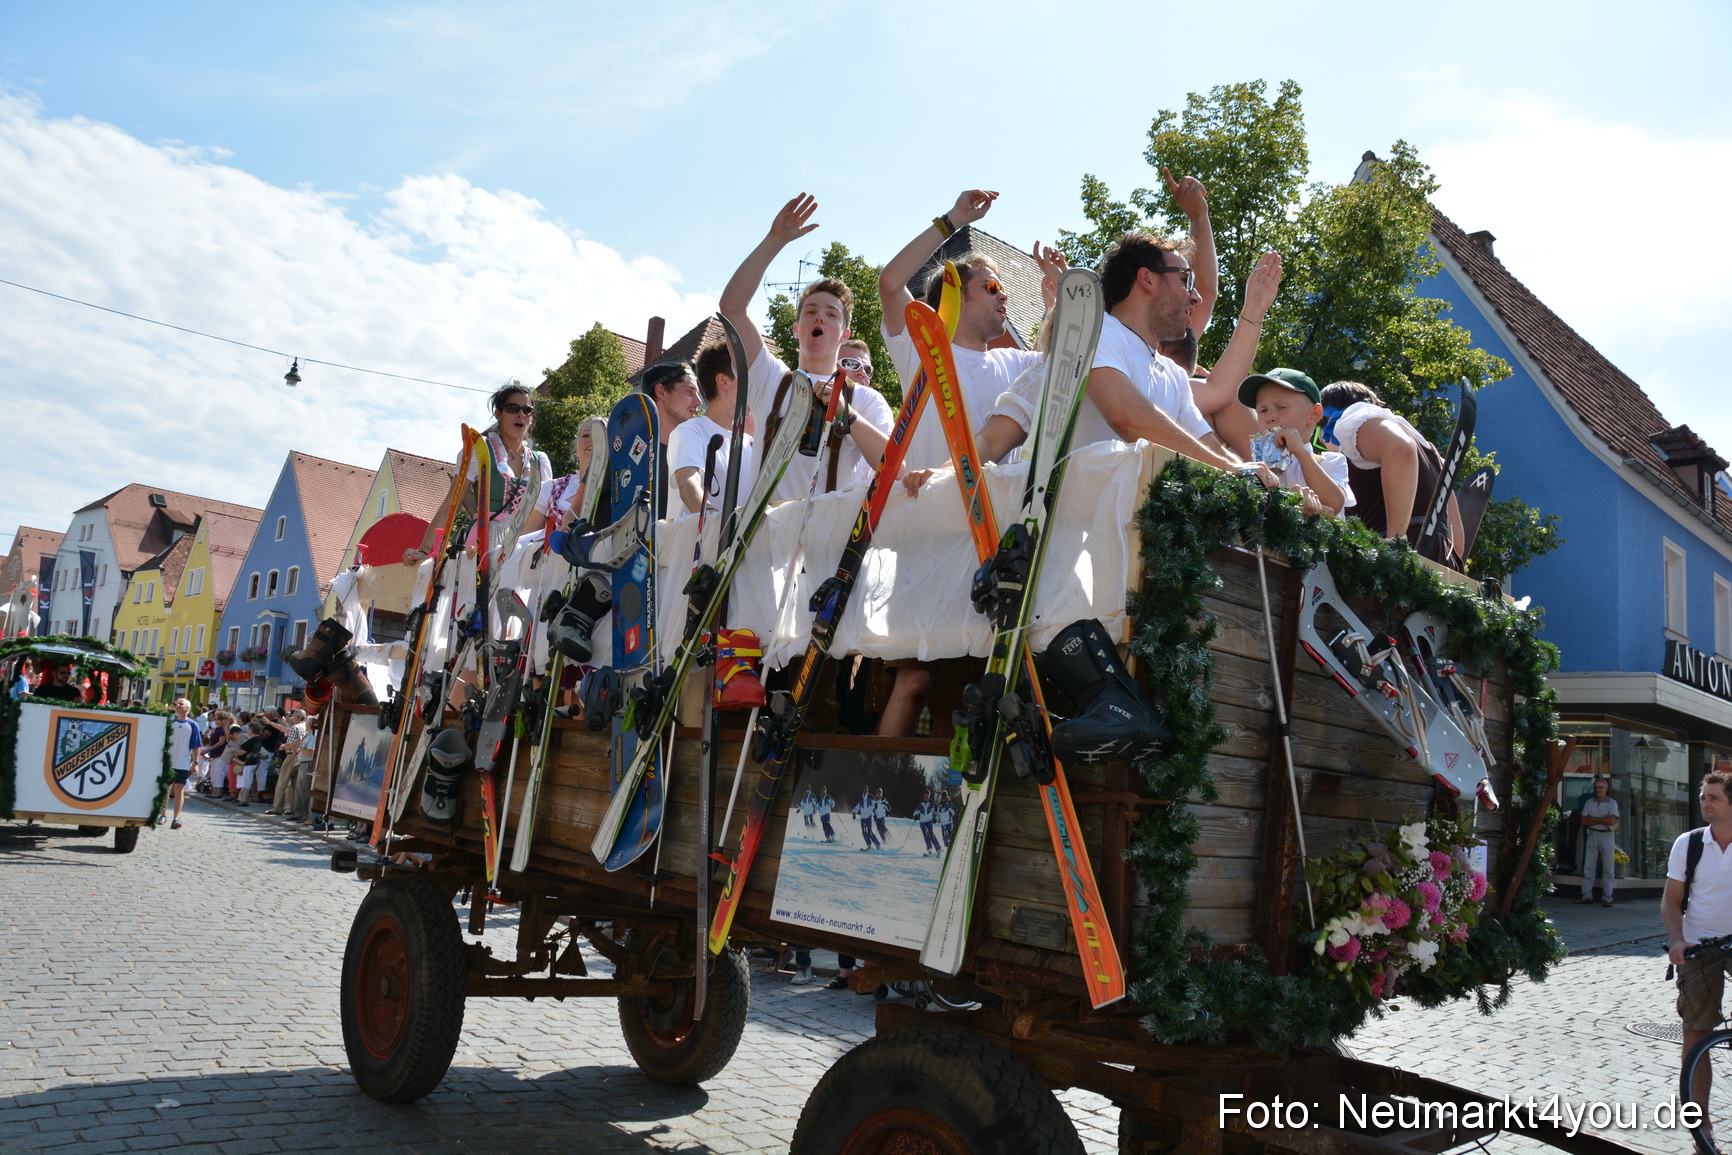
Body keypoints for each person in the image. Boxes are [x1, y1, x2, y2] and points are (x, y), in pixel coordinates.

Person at [872, 191, 1059, 738]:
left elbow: (1065, 359)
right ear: (954, 294)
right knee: (913, 684)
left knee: (981, 688)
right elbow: (889, 283)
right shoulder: (922, 348)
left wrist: (1055, 301)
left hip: (994, 544)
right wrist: (953, 222)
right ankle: (873, 786)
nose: (1005, 297)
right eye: (992, 287)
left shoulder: (1015, 363)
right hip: (928, 540)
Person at [718, 194, 893, 503]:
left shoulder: (866, 400)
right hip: (763, 543)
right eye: (811, 311)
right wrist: (776, 239)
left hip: (826, 545)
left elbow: (895, 468)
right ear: (796, 329)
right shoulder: (770, 377)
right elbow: (732, 307)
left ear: (844, 334)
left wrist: (846, 414)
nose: (820, 318)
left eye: (831, 314)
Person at [405, 380, 555, 568]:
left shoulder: (539, 461)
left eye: (527, 410)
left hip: (525, 548)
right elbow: (450, 505)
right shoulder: (479, 451)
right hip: (484, 545)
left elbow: (547, 513)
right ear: (498, 413)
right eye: (512, 408)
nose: (520, 414)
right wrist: (425, 550)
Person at [1317, 381, 1464, 567]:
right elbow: (1457, 544)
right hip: (1440, 561)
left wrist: (1395, 541)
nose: (1323, 442)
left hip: (1396, 564)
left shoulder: (1357, 421)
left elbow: (1400, 448)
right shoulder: (1429, 450)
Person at [1666, 771, 1732, 1125]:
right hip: (1698, 945)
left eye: (1714, 798)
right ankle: (1700, 1120)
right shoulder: (1688, 844)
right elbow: (1671, 901)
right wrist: (1678, 940)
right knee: (1696, 1031)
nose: (1705, 803)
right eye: (1703, 797)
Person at [1237, 367, 1352, 518]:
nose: (1270, 417)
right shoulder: (1255, 464)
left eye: (1281, 407)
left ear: (1313, 414)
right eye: (1262, 410)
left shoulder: (1331, 461)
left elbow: (1333, 504)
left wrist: (1301, 453)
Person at [670, 343, 755, 516]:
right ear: (723, 381)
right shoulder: (690, 431)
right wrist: (716, 524)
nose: (754, 387)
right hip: (698, 542)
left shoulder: (749, 442)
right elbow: (687, 485)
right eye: (748, 379)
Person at [639, 360, 703, 517]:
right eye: (689, 392)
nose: (699, 402)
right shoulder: (629, 452)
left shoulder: (697, 454)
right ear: (661, 391)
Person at [1578, 776, 1620, 906]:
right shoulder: (1589, 802)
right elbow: (1583, 821)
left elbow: (1612, 821)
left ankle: (1608, 897)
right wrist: (1603, 819)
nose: (1598, 790)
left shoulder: (1612, 803)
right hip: (1592, 834)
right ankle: (1586, 895)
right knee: (1588, 866)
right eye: (1596, 787)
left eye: (1601, 787)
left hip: (1607, 835)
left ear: (1606, 789)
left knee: (1608, 868)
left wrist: (1594, 819)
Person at [162, 698, 200, 830]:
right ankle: (163, 814)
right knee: (165, 788)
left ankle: (176, 818)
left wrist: (195, 762)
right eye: (176, 704)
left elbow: (196, 745)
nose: (177, 706)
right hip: (168, 761)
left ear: (187, 709)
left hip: (183, 762)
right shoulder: (170, 722)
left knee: (179, 789)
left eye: (181, 704)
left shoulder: (193, 725)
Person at [914, 789, 941, 857]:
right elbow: (916, 812)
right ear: (923, 796)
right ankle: (929, 849)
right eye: (925, 796)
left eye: (928, 796)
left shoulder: (931, 804)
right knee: (926, 834)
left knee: (931, 834)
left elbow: (936, 812)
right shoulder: (920, 804)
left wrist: (935, 809)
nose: (926, 798)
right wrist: (915, 816)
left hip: (929, 821)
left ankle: (938, 849)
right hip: (922, 822)